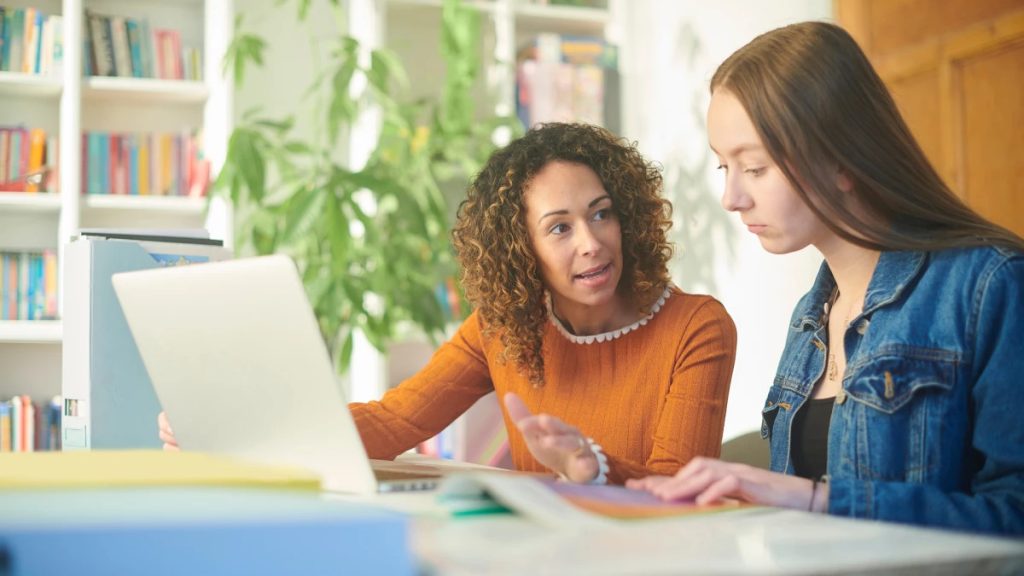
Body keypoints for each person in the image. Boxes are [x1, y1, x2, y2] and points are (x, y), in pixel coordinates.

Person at [160, 122, 738, 485]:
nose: (591, 242)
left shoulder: (695, 327)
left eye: (601, 213)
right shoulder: (503, 328)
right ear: (522, 249)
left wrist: (593, 469)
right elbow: (394, 422)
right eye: (559, 228)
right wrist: (242, 430)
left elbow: (677, 491)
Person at [628, 21, 1024, 534]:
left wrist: (817, 500)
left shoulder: (989, 286)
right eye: (724, 167)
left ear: (841, 157)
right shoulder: (810, 318)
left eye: (755, 167)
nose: (732, 198)